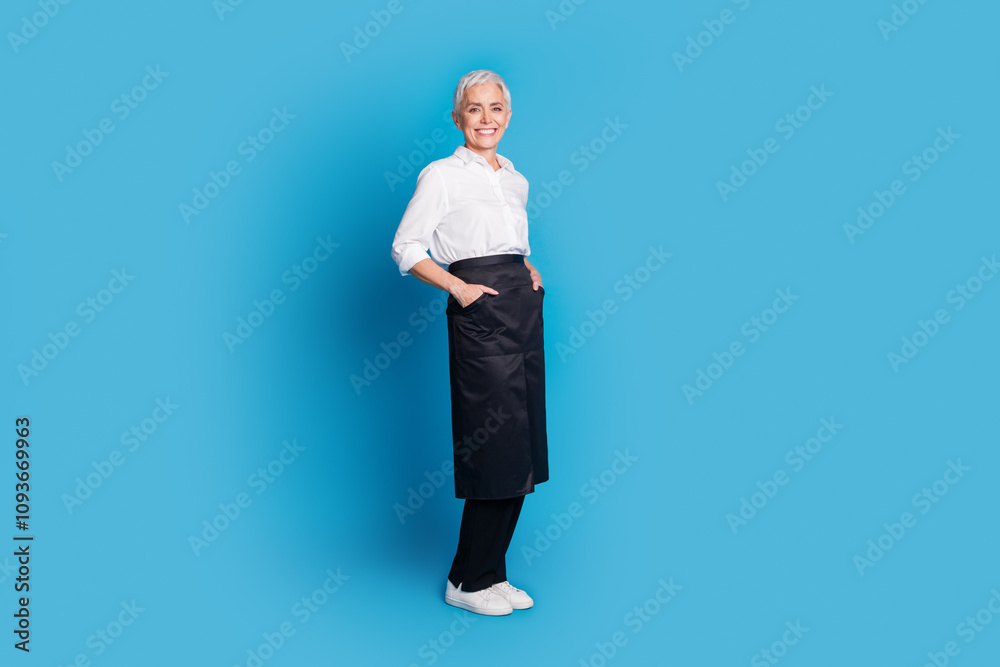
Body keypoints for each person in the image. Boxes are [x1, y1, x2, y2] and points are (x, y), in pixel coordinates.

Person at [390, 69, 548, 616]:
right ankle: (465, 579)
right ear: (459, 117)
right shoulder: (441, 175)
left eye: (496, 108)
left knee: (523, 444)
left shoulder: (516, 179)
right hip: (480, 313)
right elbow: (406, 247)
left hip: (522, 311)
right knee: (494, 444)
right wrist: (459, 288)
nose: (486, 119)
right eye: (475, 109)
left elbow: (507, 242)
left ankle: (492, 572)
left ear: (509, 115)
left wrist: (527, 268)